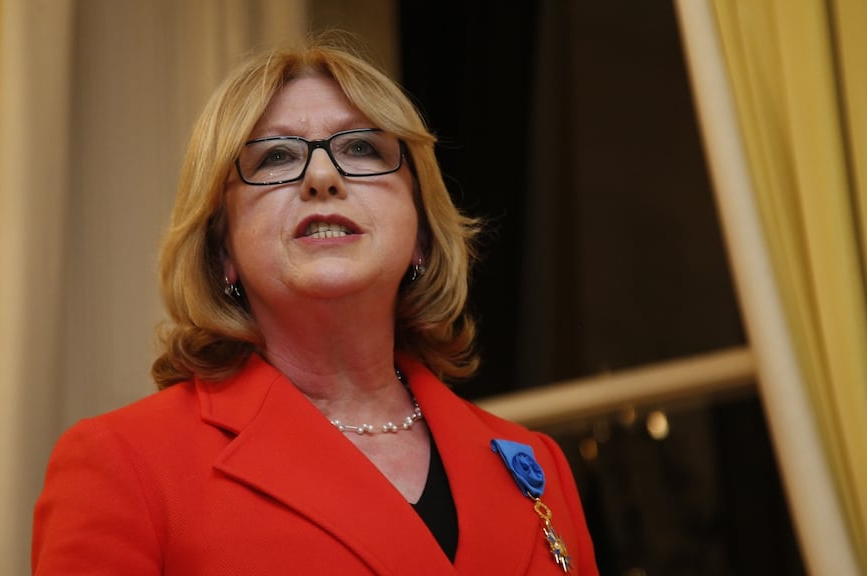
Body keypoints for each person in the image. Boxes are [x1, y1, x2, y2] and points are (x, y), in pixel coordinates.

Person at [32, 34, 599, 575]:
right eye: (276, 156)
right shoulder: (124, 464)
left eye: (361, 147)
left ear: (422, 235)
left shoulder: (534, 463)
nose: (322, 177)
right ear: (222, 250)